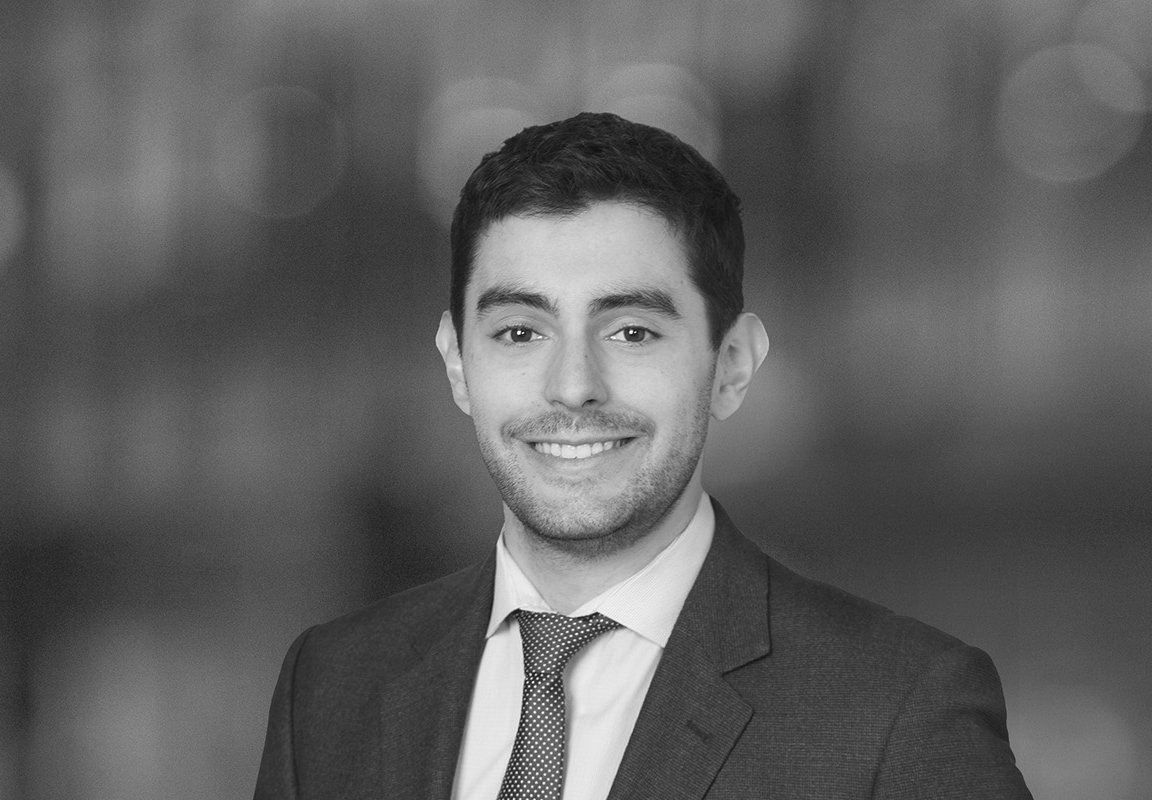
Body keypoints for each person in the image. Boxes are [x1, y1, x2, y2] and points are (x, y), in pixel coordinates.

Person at [254, 112, 1032, 799]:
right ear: (458, 363)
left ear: (731, 365)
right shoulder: (328, 689)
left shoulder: (898, 712)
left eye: (632, 331)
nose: (573, 386)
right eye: (520, 332)